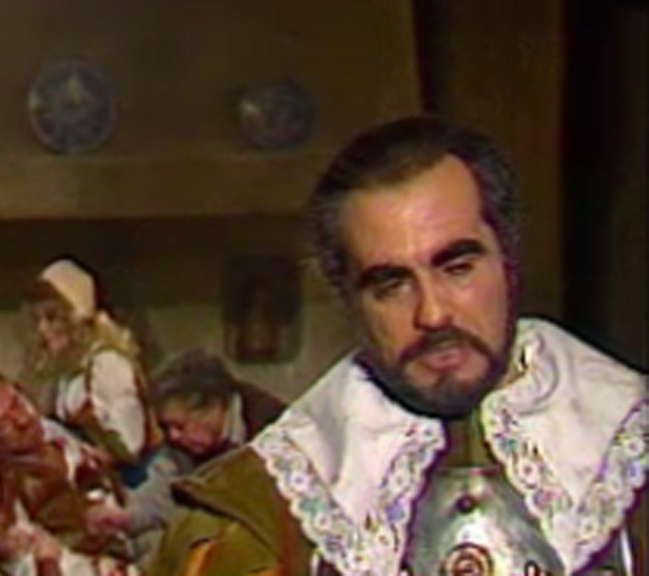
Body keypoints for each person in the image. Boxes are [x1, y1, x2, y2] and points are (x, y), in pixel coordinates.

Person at [151, 117, 648, 576]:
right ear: (348, 298)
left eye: (458, 267)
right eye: (391, 285)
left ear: (508, 260)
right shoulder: (259, 511)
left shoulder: (628, 445)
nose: (432, 314)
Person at [0, 369, 139, 576]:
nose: (22, 420)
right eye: (1, 425)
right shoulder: (8, 496)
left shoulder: (53, 433)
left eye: (17, 404)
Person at [91, 349, 286, 547]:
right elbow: (160, 494)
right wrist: (123, 517)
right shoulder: (180, 448)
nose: (173, 436)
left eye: (180, 426)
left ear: (215, 408)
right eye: (168, 427)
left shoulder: (275, 433)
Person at [23, 257, 161, 487]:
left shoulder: (107, 364)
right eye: (37, 320)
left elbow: (130, 445)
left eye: (52, 318)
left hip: (135, 485)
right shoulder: (69, 370)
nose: (43, 329)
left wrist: (83, 456)